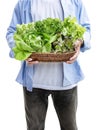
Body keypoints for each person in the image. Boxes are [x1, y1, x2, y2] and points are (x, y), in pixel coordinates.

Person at [6, 0, 91, 130]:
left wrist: (80, 40)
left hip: (67, 82)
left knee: (70, 127)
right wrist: (23, 50)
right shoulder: (24, 3)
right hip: (34, 83)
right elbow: (12, 32)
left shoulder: (74, 2)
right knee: (34, 127)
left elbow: (86, 28)